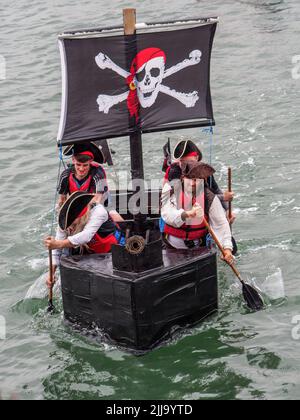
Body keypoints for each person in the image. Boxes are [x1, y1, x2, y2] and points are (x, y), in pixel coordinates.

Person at [44, 191, 125, 288]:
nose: (69, 228)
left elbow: (86, 236)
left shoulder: (99, 211)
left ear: (82, 216)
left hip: (111, 252)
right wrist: (51, 273)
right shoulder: (65, 221)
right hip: (88, 253)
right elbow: (56, 250)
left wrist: (58, 244)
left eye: (73, 224)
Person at [161, 161, 234, 264]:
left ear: (202, 180)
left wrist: (227, 249)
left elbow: (221, 224)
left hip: (198, 249)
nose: (192, 183)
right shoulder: (171, 190)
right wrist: (187, 214)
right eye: (189, 179)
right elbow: (167, 214)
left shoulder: (209, 197)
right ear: (183, 178)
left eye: (196, 180)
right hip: (171, 248)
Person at [162, 139, 235, 224]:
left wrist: (228, 210)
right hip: (179, 218)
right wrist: (223, 197)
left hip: (200, 216)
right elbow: (192, 199)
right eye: (182, 163)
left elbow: (216, 190)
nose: (186, 167)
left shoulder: (203, 170)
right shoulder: (174, 172)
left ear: (196, 158)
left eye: (190, 162)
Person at [57, 142, 108, 208]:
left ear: (90, 161)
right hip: (76, 205)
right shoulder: (65, 175)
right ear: (73, 160)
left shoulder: (98, 174)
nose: (81, 169)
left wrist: (81, 214)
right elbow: (62, 199)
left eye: (85, 165)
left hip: (99, 203)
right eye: (78, 164)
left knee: (101, 211)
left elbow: (97, 200)